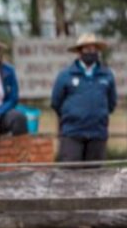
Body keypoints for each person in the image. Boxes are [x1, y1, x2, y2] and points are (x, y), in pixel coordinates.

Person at [50, 33, 118, 162]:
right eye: (87, 49)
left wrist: (98, 115)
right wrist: (72, 116)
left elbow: (112, 103)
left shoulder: (107, 75)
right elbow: (56, 102)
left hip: (97, 134)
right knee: (70, 175)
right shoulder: (65, 75)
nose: (90, 52)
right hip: (72, 133)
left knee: (96, 176)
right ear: (80, 52)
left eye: (93, 49)